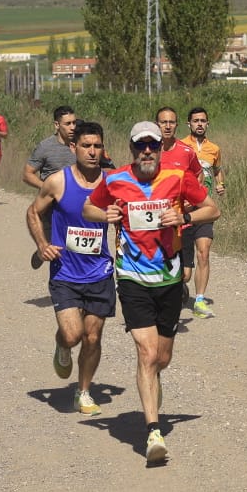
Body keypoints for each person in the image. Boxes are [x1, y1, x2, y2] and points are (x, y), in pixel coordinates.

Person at [84, 121, 220, 465]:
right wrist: (106, 213)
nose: (147, 151)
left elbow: (212, 209)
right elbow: (89, 208)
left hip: (170, 279)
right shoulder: (114, 180)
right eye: (140, 145)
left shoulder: (176, 177)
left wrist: (183, 216)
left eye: (153, 146)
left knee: (162, 358)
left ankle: (152, 386)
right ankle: (153, 432)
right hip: (131, 278)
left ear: (161, 149)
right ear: (131, 149)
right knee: (146, 354)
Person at [26, 121, 115, 415]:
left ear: (103, 149)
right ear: (73, 148)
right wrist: (42, 244)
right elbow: (33, 212)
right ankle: (62, 345)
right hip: (65, 272)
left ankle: (84, 391)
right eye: (86, 146)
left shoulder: (112, 182)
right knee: (73, 334)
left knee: (93, 336)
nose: (92, 152)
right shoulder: (58, 181)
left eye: (97, 146)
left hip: (100, 271)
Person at [179, 106, 225, 318]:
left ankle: (199, 301)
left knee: (204, 252)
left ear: (208, 124)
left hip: (205, 209)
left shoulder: (214, 149)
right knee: (184, 272)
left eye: (203, 120)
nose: (199, 124)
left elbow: (217, 170)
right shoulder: (180, 147)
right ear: (188, 124)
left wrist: (219, 184)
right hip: (183, 211)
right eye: (195, 120)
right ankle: (180, 287)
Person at [24, 106, 80, 269]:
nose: (72, 127)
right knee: (52, 245)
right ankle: (41, 252)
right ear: (57, 125)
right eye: (68, 124)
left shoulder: (80, 144)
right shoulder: (45, 147)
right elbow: (27, 174)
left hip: (76, 202)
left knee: (75, 243)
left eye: (74, 123)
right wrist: (49, 188)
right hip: (52, 206)